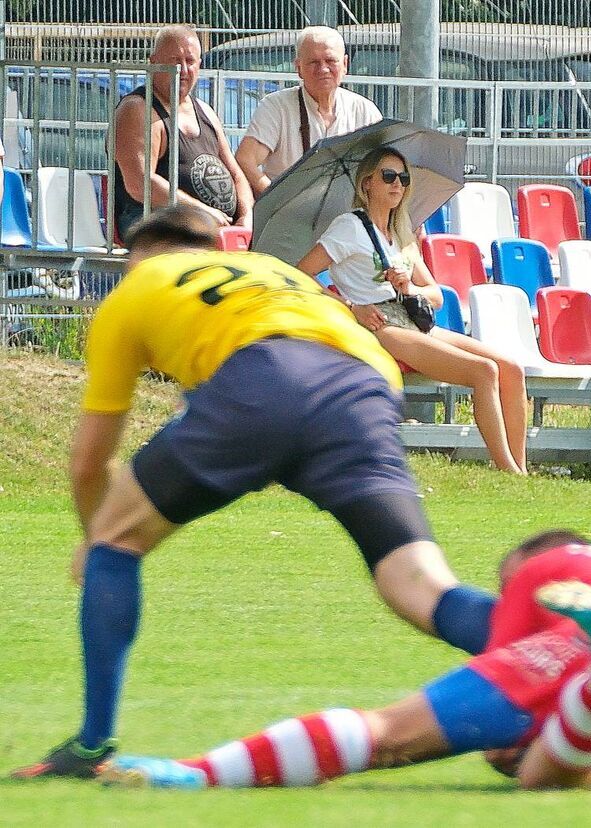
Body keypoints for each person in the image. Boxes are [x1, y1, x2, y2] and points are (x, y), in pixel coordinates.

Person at [9, 205, 498, 780]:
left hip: (262, 376)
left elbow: (89, 459)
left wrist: (98, 538)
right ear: (216, 251)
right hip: (363, 382)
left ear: (134, 261)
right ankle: (564, 652)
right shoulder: (267, 269)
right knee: (416, 584)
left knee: (116, 544)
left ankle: (91, 746)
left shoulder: (134, 292)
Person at [99, 530, 591, 793]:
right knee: (558, 777)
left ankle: (191, 776)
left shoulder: (546, 569)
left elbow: (498, 714)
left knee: (388, 734)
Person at [296, 148, 529, 475]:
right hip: (380, 324)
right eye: (388, 176)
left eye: (403, 178)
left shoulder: (401, 231)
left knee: (511, 368)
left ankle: (521, 466)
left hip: (411, 318)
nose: (397, 185)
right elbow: (301, 273)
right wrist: (351, 308)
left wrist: (409, 287)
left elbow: (435, 296)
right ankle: (508, 471)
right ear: (367, 184)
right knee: (483, 371)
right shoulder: (349, 226)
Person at [112, 25, 253, 238]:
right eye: (175, 61)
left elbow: (236, 175)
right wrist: (201, 212)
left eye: (190, 61)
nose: (183, 70)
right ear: (153, 63)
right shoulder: (138, 109)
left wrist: (246, 217)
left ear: (200, 65)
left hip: (219, 229)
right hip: (159, 228)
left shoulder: (205, 111)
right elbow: (139, 183)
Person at [235, 26, 382, 197]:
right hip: (290, 217)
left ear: (345, 65)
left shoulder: (364, 111)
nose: (323, 69)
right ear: (298, 68)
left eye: (330, 61)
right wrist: (276, 199)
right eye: (314, 62)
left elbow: (384, 167)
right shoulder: (276, 107)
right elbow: (245, 160)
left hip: (347, 214)